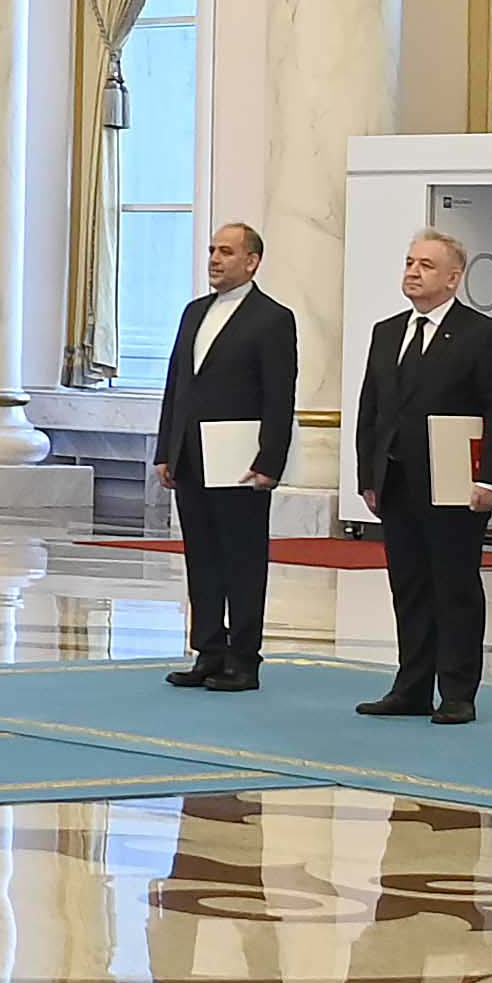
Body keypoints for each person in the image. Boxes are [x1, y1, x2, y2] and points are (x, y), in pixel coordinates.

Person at [350, 229, 492, 725]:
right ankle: (412, 687)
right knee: (409, 586)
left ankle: (458, 691)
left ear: (453, 278)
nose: (413, 272)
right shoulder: (387, 332)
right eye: (409, 262)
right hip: (397, 481)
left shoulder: (482, 334)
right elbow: (371, 409)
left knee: (455, 586)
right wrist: (368, 474)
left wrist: (491, 478)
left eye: (425, 265)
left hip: (454, 484)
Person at [152, 221, 296, 693]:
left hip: (239, 458)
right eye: (213, 250)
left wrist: (270, 460)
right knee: (202, 557)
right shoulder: (194, 312)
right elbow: (177, 385)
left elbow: (279, 396)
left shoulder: (272, 318)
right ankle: (208, 650)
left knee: (243, 558)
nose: (214, 259)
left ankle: (244, 658)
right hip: (191, 456)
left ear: (252, 261)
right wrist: (165, 449)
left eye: (227, 252)